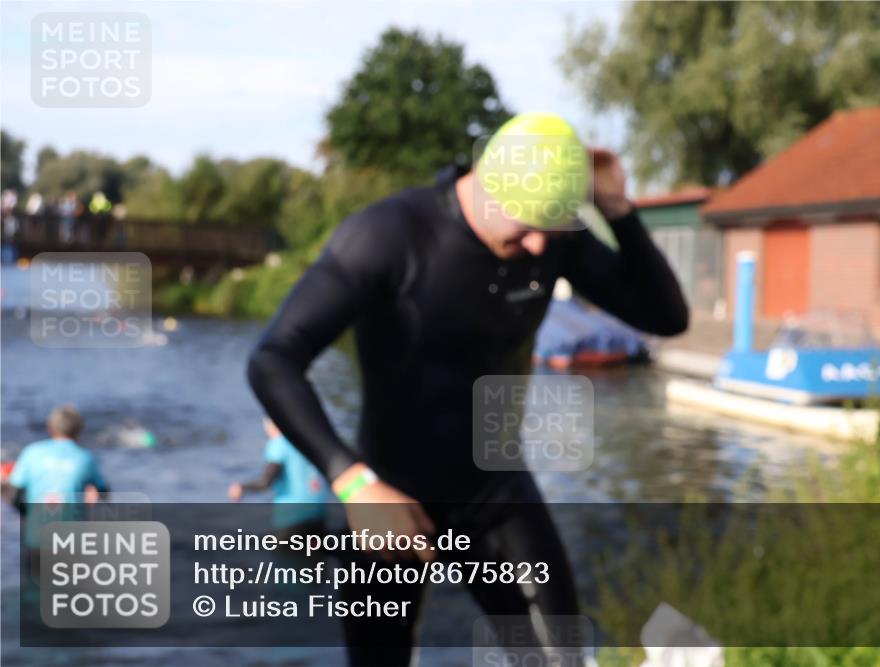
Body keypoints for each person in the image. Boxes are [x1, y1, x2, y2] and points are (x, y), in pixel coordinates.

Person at [247, 112, 689, 664]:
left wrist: (618, 213)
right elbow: (273, 359)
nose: (536, 248)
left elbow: (666, 318)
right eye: (525, 226)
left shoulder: (554, 240)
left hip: (496, 490)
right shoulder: (388, 236)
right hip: (392, 498)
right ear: (484, 181)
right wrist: (353, 482)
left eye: (549, 230)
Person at [2, 405, 109, 570]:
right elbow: (104, 492)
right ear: (79, 430)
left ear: (50, 428)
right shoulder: (86, 458)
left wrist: (25, 513)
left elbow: (13, 492)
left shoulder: (32, 453)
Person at [228, 418, 331, 540]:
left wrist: (242, 487)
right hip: (318, 512)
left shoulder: (279, 444)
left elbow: (266, 482)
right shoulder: (307, 440)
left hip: (293, 517)